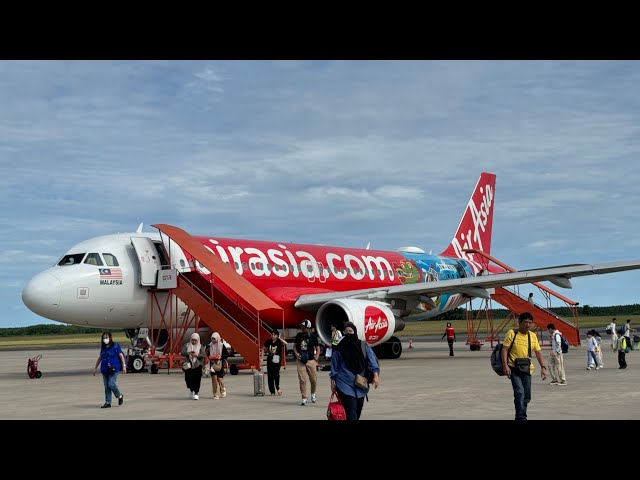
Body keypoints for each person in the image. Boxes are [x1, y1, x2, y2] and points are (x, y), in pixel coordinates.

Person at [329, 321, 380, 420]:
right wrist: (332, 382)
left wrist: (376, 375)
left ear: (355, 332)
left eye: (350, 331)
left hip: (360, 384)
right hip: (344, 384)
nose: (348, 333)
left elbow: (372, 360)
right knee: (351, 411)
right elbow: (334, 366)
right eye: (346, 331)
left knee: (358, 410)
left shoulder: (363, 345)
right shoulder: (339, 348)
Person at [501, 311, 547, 421]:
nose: (528, 325)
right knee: (519, 393)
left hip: (527, 369)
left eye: (530, 323)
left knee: (526, 396)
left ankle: (521, 414)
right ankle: (521, 417)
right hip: (513, 368)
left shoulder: (532, 336)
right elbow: (505, 349)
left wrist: (543, 367)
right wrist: (505, 366)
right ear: (520, 323)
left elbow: (538, 352)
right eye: (525, 322)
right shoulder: (512, 333)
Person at [92, 331, 126, 408]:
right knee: (107, 386)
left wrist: (124, 365)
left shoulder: (115, 345)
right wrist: (95, 368)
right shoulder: (103, 348)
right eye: (103, 338)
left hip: (114, 368)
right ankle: (108, 402)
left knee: (111, 383)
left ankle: (119, 395)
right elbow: (100, 358)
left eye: (106, 338)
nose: (105, 339)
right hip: (105, 369)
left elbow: (121, 355)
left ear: (110, 337)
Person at [293, 319, 320, 405]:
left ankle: (313, 393)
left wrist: (317, 357)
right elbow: (294, 346)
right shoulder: (298, 336)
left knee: (313, 379)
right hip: (301, 360)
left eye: (304, 327)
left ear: (309, 328)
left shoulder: (313, 337)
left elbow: (318, 348)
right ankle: (304, 397)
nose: (302, 329)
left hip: (311, 360)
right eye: (301, 327)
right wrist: (296, 354)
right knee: (302, 380)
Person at [181, 332, 205, 400]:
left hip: (197, 365)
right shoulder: (187, 345)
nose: (194, 341)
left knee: (197, 379)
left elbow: (203, 355)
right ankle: (191, 390)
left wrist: (196, 355)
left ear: (198, 340)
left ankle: (196, 393)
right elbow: (182, 352)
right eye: (192, 340)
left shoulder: (200, 346)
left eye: (195, 340)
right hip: (189, 364)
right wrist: (188, 353)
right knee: (188, 379)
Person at [263, 329, 287, 396]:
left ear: (277, 335)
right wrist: (264, 353)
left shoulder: (279, 342)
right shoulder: (269, 341)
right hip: (270, 360)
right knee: (270, 376)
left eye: (274, 335)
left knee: (276, 374)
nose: (273, 336)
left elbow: (285, 343)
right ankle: (272, 391)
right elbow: (264, 347)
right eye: (272, 334)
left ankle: (277, 387)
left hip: (277, 360)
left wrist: (279, 338)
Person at [206, 331, 229, 399]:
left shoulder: (222, 345)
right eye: (212, 338)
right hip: (212, 364)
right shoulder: (209, 345)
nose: (213, 340)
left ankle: (223, 389)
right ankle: (215, 394)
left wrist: (220, 357)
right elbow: (207, 353)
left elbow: (226, 354)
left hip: (220, 364)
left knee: (220, 378)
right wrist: (209, 357)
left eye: (214, 339)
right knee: (214, 379)